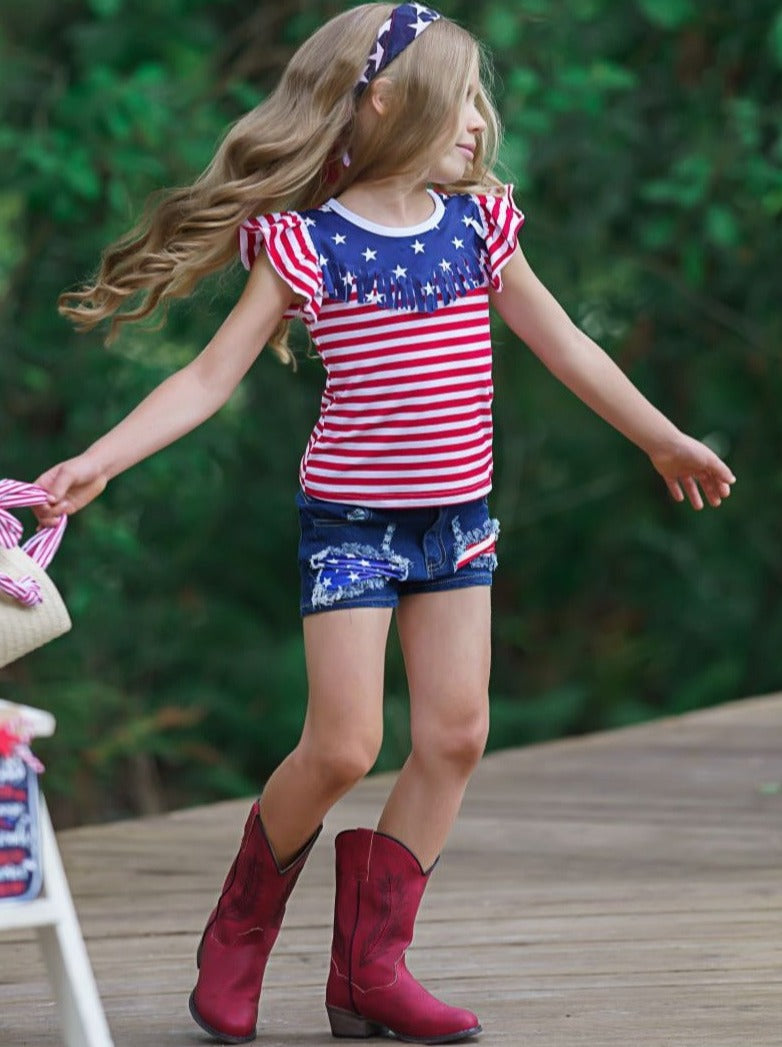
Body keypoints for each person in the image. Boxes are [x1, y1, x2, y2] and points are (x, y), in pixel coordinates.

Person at [34, 3, 735, 1043]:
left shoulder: (482, 227)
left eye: (478, 104)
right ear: (382, 104)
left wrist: (661, 436)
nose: (476, 122)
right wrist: (98, 460)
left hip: (456, 524)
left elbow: (568, 349)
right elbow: (206, 377)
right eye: (457, 101)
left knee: (455, 735)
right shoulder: (307, 244)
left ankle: (370, 970)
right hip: (354, 523)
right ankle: (238, 931)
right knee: (343, 745)